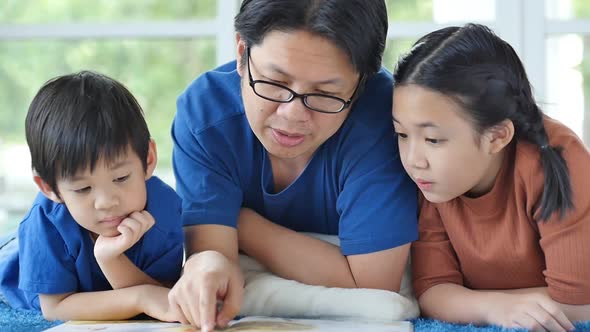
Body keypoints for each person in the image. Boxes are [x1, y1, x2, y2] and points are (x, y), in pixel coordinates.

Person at [168, 0, 418, 330]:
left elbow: (374, 281)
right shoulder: (206, 115)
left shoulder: (384, 118)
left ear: (361, 85)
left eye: (326, 94)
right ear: (242, 52)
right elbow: (215, 271)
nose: (292, 115)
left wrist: (240, 222)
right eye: (274, 83)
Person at [392, 23, 590, 331]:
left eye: (433, 140)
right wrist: (494, 306)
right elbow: (432, 290)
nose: (412, 159)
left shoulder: (557, 159)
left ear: (497, 136)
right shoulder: (433, 182)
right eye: (401, 134)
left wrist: (468, 301)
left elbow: (578, 303)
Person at [0, 71, 184, 322]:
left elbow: (163, 293)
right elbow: (55, 307)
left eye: (121, 178)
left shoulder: (165, 208)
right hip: (14, 255)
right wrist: (141, 296)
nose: (106, 202)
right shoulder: (45, 221)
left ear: (148, 160)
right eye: (83, 189)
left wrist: (111, 259)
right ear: (49, 188)